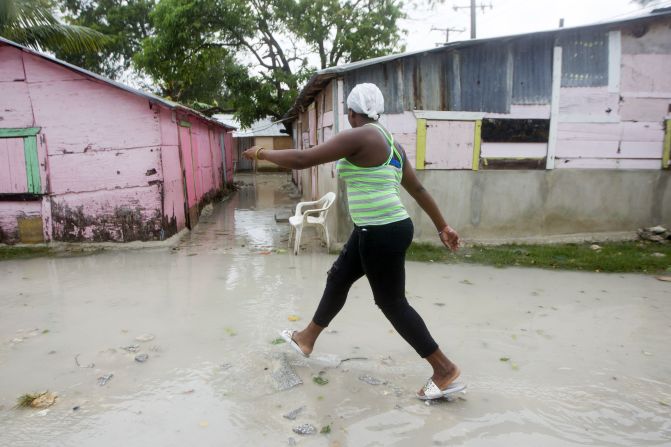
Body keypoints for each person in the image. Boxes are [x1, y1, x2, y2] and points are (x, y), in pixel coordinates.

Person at [242, 83, 462, 400]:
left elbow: (304, 159)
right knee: (340, 275)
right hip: (380, 227)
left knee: (392, 303)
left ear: (351, 113)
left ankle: (444, 369)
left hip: (381, 229)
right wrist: (443, 226)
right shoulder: (392, 145)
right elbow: (418, 190)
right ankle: (306, 338)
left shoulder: (361, 135)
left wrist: (262, 152)